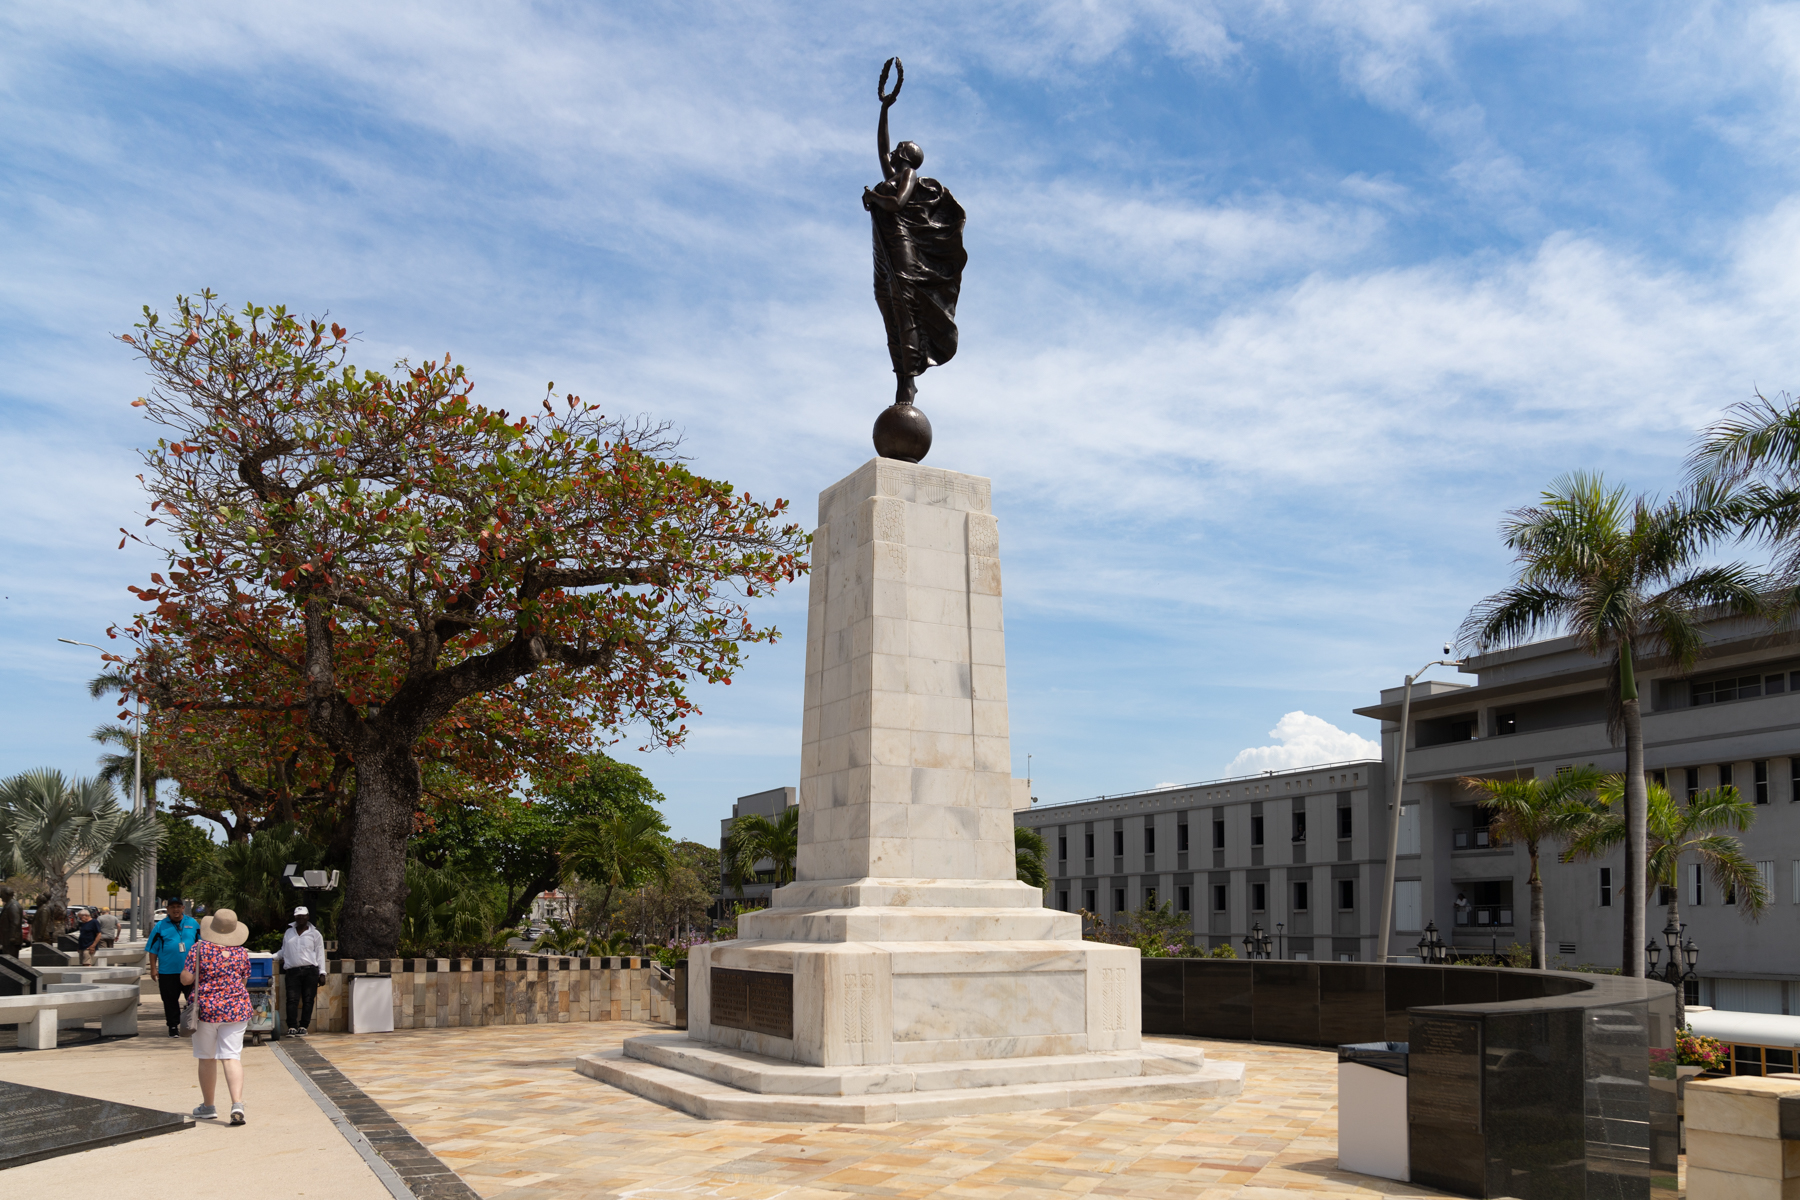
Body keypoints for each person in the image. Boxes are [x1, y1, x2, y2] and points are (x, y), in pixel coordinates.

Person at [182, 907, 252, 1125]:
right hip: (237, 1009)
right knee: (232, 1056)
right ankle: (237, 1104)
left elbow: (186, 979)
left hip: (206, 1010)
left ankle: (208, 1106)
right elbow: (243, 982)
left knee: (207, 1057)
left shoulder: (199, 949)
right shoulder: (241, 953)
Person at [146, 899, 200, 1036]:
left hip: (190, 971)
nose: (175, 910)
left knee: (193, 1000)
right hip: (168, 971)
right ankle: (173, 1026)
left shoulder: (192, 923)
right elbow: (152, 949)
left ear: (183, 908)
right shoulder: (160, 926)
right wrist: (153, 968)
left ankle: (192, 1025)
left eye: (178, 907)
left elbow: (202, 945)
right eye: (172, 907)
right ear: (167, 909)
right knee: (170, 1001)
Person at [276, 906, 326, 1036]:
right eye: (298, 916)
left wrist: (322, 972)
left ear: (308, 917)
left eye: (303, 916)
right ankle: (292, 1026)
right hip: (292, 971)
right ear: (295, 917)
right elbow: (283, 950)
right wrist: (269, 957)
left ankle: (304, 1026)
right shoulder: (289, 932)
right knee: (292, 999)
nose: (301, 918)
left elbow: (320, 954)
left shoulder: (315, 934)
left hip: (310, 971)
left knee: (308, 999)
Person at [0, 887, 22, 960]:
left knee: (11, 962)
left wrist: (12, 937)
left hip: (11, 940)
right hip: (7, 939)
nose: (1, 896)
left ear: (7, 894)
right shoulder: (9, 905)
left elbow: (15, 923)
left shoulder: (13, 906)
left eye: (2, 894)